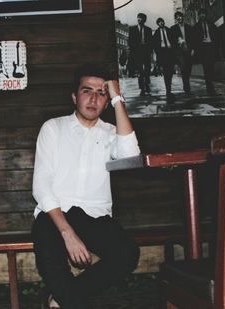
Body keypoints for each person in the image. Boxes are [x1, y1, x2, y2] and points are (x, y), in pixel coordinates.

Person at [32, 64, 141, 309]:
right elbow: (41, 184)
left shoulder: (113, 132)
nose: (93, 98)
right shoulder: (53, 128)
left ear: (106, 101)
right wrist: (67, 233)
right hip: (55, 215)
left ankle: (59, 298)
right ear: (74, 96)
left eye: (101, 93)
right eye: (86, 91)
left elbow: (131, 156)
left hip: (96, 217)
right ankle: (66, 299)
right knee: (49, 250)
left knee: (127, 253)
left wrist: (118, 99)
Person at [192, 8, 219, 95]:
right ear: (199, 16)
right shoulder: (196, 27)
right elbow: (194, 40)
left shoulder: (211, 25)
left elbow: (217, 36)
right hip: (203, 49)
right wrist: (196, 50)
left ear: (205, 15)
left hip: (211, 47)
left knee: (211, 67)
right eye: (200, 14)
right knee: (206, 67)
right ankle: (209, 87)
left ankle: (210, 84)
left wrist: (216, 47)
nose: (202, 15)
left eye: (203, 14)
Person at [128, 13, 153, 96]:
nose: (139, 19)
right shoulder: (132, 29)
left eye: (141, 18)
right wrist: (132, 52)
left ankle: (147, 85)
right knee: (140, 71)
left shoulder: (148, 29)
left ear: (144, 20)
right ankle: (142, 88)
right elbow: (130, 41)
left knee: (147, 70)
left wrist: (150, 52)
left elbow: (150, 42)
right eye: (138, 17)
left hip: (146, 52)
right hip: (137, 53)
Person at [170, 11, 193, 95]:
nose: (179, 18)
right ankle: (187, 87)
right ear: (176, 19)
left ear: (182, 17)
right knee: (183, 68)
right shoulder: (173, 28)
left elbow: (193, 39)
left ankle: (186, 83)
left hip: (188, 50)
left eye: (180, 16)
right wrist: (178, 42)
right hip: (180, 52)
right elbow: (172, 41)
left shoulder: (189, 27)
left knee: (188, 68)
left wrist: (193, 49)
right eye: (177, 17)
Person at [152, 17, 175, 96]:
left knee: (171, 71)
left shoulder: (169, 30)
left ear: (164, 22)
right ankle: (168, 89)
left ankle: (169, 87)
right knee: (165, 72)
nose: (161, 23)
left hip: (170, 52)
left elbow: (173, 40)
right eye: (159, 22)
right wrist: (158, 54)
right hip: (162, 53)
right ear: (158, 24)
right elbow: (154, 45)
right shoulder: (156, 33)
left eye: (162, 21)